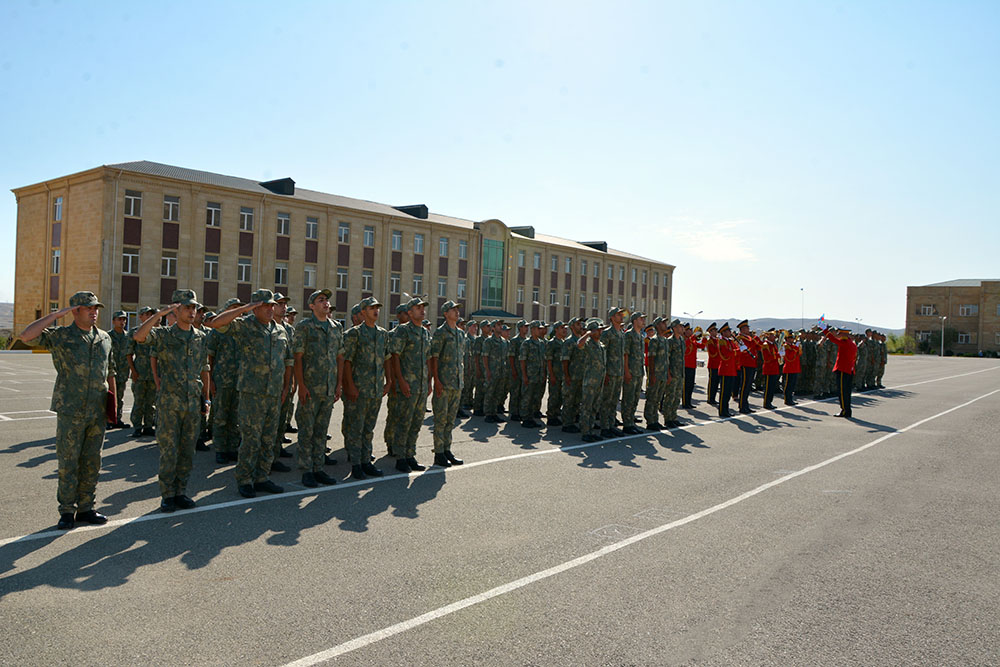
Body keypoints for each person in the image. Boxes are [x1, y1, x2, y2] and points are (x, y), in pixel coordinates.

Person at [19, 291, 116, 530]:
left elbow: (109, 372)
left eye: (96, 308)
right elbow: (27, 336)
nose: (94, 312)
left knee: (92, 462)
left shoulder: (104, 338)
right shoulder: (61, 336)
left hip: (97, 410)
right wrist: (55, 315)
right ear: (75, 311)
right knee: (68, 462)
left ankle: (86, 508)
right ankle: (66, 510)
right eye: (89, 308)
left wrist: (113, 405)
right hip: (71, 410)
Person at [205, 289, 293, 498]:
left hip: (273, 393)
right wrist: (245, 308)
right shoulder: (245, 326)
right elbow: (215, 324)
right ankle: (244, 479)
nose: (271, 309)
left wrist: (285, 388)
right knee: (251, 439)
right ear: (255, 308)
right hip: (252, 394)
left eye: (272, 305)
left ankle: (262, 477)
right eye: (265, 305)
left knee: (268, 438)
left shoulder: (280, 330)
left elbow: (287, 360)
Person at [132, 290, 210, 512]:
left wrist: (206, 399)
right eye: (187, 307)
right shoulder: (164, 335)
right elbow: (139, 337)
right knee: (169, 451)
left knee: (187, 451)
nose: (192, 311)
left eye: (194, 307)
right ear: (176, 310)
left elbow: (203, 369)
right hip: (169, 404)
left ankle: (180, 492)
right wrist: (159, 315)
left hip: (192, 403)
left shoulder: (200, 337)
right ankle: (167, 495)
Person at [292, 289, 343, 488]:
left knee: (321, 431)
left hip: (329, 388)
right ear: (312, 306)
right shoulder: (305, 327)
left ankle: (318, 468)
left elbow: (340, 357)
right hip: (310, 389)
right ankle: (306, 470)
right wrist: (301, 385)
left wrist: (338, 384)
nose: (326, 302)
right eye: (321, 300)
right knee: (306, 430)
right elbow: (298, 357)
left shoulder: (336, 327)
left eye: (327, 300)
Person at [341, 296, 391, 479]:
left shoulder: (383, 334)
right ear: (363, 312)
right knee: (356, 428)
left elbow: (387, 359)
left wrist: (389, 381)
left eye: (377, 307)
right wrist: (350, 386)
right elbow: (347, 362)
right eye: (371, 308)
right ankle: (356, 465)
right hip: (359, 389)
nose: (376, 311)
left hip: (375, 389)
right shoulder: (354, 334)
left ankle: (366, 461)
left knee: (369, 428)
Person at [390, 296, 431, 472]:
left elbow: (427, 359)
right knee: (404, 422)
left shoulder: (425, 333)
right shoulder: (403, 331)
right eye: (418, 308)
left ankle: (410, 454)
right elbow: (395, 356)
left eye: (423, 308)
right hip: (407, 385)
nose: (422, 310)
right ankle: (400, 457)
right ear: (410, 312)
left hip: (421, 386)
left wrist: (428, 382)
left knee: (416, 422)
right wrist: (400, 380)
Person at [206, 298, 243, 464]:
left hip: (239, 381)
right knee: (221, 416)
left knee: (235, 417)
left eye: (239, 309)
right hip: (222, 380)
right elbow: (210, 358)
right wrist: (211, 381)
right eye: (233, 308)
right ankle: (220, 449)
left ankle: (233, 447)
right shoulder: (217, 332)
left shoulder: (242, 330)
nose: (237, 312)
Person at [429, 300, 465, 467]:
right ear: (445, 313)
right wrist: (436, 380)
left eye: (457, 309)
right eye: (453, 310)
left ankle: (446, 449)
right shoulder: (440, 333)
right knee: (440, 420)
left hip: (456, 383)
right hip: (443, 383)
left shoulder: (460, 333)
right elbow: (434, 357)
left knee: (450, 420)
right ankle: (439, 453)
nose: (457, 312)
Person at [127, 306, 158, 437]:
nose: (149, 316)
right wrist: (133, 371)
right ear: (140, 317)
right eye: (147, 314)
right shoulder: (134, 332)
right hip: (139, 371)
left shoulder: (157, 332)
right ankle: (137, 426)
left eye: (151, 314)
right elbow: (129, 353)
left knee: (151, 402)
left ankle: (148, 426)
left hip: (153, 372)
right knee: (139, 401)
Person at [577, 319, 607, 443]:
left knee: (594, 407)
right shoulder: (588, 343)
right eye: (598, 330)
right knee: (587, 407)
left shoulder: (600, 345)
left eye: (600, 330)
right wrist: (588, 333)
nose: (600, 332)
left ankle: (591, 430)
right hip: (590, 381)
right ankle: (585, 432)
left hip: (599, 381)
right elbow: (579, 344)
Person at [599, 307, 626, 438]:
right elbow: (602, 354)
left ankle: (611, 425)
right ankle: (605, 427)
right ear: (612, 317)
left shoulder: (621, 333)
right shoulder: (607, 333)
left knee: (614, 400)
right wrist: (605, 373)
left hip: (619, 372)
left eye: (621, 314)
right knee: (606, 400)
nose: (621, 316)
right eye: (618, 314)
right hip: (610, 372)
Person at [519, 320, 548, 428]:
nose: (540, 331)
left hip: (538, 375)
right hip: (530, 375)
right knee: (527, 397)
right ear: (533, 330)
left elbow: (543, 360)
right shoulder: (527, 343)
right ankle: (525, 418)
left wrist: (543, 373)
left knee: (535, 397)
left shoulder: (541, 343)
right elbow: (523, 360)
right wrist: (524, 375)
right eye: (538, 329)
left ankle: (531, 417)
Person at [825, 327, 858, 418]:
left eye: (839, 333)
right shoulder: (852, 343)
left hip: (843, 370)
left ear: (843, 334)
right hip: (849, 370)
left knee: (842, 392)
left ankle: (844, 411)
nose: (838, 335)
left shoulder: (845, 343)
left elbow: (832, 338)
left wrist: (824, 329)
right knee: (847, 392)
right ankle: (847, 410)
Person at [643, 317, 670, 430]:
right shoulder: (654, 340)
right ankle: (650, 421)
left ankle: (655, 419)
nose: (665, 325)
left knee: (658, 398)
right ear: (658, 325)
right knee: (652, 398)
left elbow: (666, 359)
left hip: (663, 374)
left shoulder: (664, 340)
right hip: (656, 374)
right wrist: (652, 375)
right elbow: (651, 358)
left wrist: (668, 374)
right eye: (663, 323)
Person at [621, 312, 645, 434]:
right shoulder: (629, 335)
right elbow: (625, 354)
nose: (643, 321)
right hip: (631, 371)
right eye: (641, 319)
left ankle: (631, 421)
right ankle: (627, 424)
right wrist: (626, 371)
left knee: (635, 398)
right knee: (628, 399)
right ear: (635, 321)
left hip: (639, 372)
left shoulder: (640, 335)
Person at [108, 310, 131, 429]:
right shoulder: (108, 336)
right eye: (119, 319)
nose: (122, 322)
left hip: (122, 372)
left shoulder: (128, 336)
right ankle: (108, 420)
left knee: (119, 397)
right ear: (113, 321)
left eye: (124, 319)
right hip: (110, 373)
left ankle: (117, 419)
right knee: (109, 397)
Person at [662, 319, 686, 427]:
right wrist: (668, 374)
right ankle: (668, 419)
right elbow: (666, 359)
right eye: (680, 326)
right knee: (670, 396)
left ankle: (673, 417)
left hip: (680, 373)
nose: (682, 328)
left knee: (677, 397)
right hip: (672, 373)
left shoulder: (681, 340)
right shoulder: (670, 341)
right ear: (675, 328)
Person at [545, 321, 568, 427]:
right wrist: (552, 375)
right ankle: (551, 417)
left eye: (565, 328)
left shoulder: (564, 343)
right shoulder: (552, 343)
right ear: (556, 330)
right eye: (562, 328)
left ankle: (557, 413)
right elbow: (549, 360)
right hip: (555, 374)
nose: (564, 330)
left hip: (562, 375)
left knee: (560, 397)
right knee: (554, 396)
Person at [716, 323, 739, 418]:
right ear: (724, 332)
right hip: (725, 369)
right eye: (728, 331)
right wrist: (738, 350)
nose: (730, 332)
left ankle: (726, 410)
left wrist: (739, 348)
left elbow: (735, 350)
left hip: (731, 369)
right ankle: (722, 410)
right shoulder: (722, 341)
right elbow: (726, 353)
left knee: (728, 392)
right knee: (724, 392)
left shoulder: (730, 341)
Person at [508, 320, 528, 422]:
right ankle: (514, 412)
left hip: (524, 371)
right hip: (516, 369)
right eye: (525, 326)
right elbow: (511, 356)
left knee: (523, 392)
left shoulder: (527, 340)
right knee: (515, 392)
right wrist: (513, 370)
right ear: (520, 328)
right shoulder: (514, 341)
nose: (526, 329)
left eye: (527, 327)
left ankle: (521, 411)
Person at [682, 323, 705, 409]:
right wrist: (693, 337)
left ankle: (689, 402)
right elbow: (685, 346)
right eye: (689, 330)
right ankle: (685, 402)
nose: (691, 331)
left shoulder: (692, 340)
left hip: (692, 365)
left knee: (691, 385)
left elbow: (701, 346)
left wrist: (704, 338)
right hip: (686, 365)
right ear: (685, 331)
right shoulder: (684, 340)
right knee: (686, 385)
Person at [760, 329, 781, 410]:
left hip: (774, 368)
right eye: (772, 335)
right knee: (768, 387)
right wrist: (777, 355)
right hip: (769, 368)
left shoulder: (773, 344)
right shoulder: (766, 345)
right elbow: (767, 358)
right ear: (768, 336)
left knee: (772, 387)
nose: (774, 337)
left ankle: (770, 402)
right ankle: (766, 403)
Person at [782, 331, 802, 405]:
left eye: (792, 338)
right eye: (790, 338)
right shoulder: (786, 346)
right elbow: (789, 357)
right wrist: (796, 347)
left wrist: (798, 347)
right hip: (789, 368)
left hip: (794, 367)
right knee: (788, 385)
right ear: (787, 338)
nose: (792, 339)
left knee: (792, 385)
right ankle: (787, 399)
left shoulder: (792, 346)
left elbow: (799, 354)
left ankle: (790, 398)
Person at [704, 323, 721, 405]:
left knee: (716, 382)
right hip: (712, 364)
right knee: (712, 383)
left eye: (716, 330)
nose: (716, 332)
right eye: (714, 330)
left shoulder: (717, 340)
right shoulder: (710, 341)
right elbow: (712, 354)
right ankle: (710, 398)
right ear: (710, 332)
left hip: (718, 364)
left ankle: (713, 398)